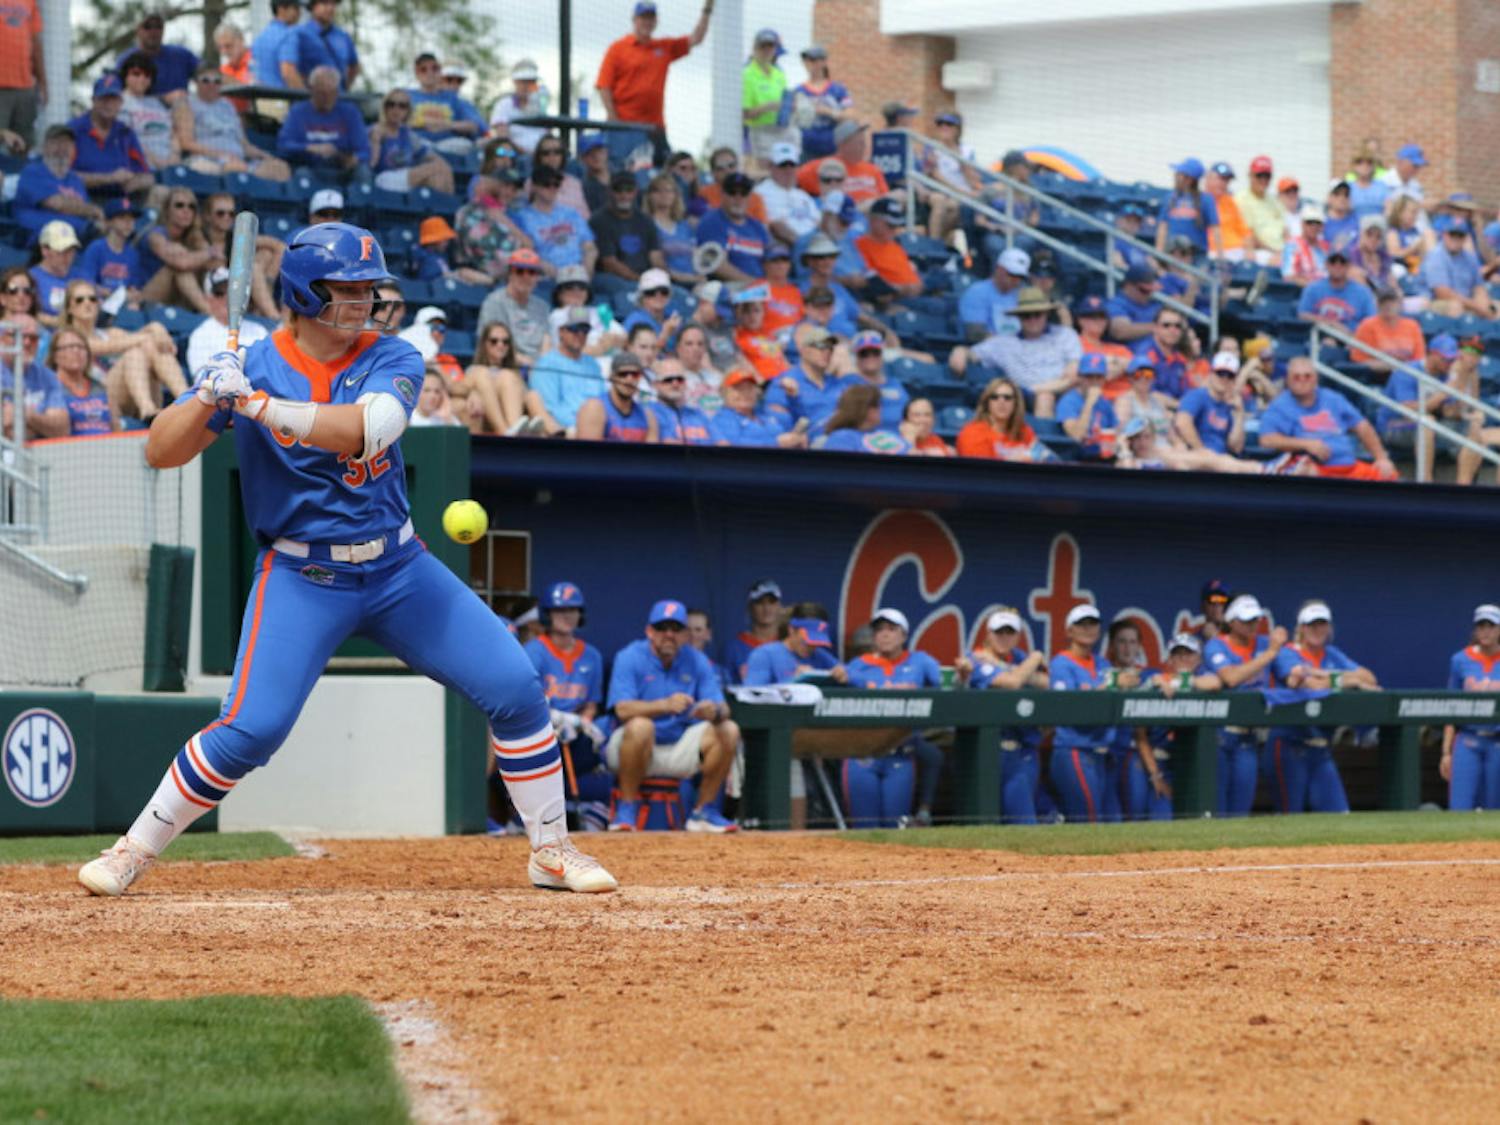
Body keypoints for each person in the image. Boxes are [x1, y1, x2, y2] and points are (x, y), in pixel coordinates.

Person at [78, 222, 616, 897]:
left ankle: (552, 851)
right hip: (304, 574)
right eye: (348, 288)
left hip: (398, 568)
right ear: (306, 290)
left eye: (369, 287)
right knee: (252, 729)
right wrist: (211, 395)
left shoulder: (391, 354)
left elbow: (370, 429)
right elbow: (159, 450)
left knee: (514, 685)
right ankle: (133, 848)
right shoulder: (253, 364)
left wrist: (260, 405)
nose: (364, 300)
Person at [605, 598, 739, 833]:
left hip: (678, 746)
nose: (669, 634)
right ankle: (626, 808)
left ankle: (703, 812)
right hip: (632, 749)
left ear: (686, 635)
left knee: (728, 728)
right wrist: (664, 705)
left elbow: (724, 708)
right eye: (662, 628)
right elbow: (621, 710)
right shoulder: (630, 656)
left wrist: (714, 711)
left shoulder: (696, 660)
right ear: (649, 631)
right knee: (641, 726)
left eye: (676, 629)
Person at [1266, 601, 1379, 815]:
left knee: (1339, 815)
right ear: (1300, 628)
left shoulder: (1332, 654)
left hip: (1320, 748)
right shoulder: (1287, 652)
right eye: (1311, 625)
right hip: (1290, 744)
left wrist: (1326, 674)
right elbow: (1310, 685)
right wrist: (1350, 680)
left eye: (1322, 624)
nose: (1317, 630)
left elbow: (1370, 677)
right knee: (1291, 817)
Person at [842, 609, 946, 829]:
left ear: (904, 635)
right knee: (864, 827)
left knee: (894, 827)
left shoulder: (920, 661)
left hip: (902, 751)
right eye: (879, 630)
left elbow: (943, 685)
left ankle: (924, 812)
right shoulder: (859, 665)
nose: (885, 635)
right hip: (863, 752)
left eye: (891, 629)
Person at [523, 582, 610, 831]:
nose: (567, 616)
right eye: (560, 610)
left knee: (598, 746)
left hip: (577, 732)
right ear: (548, 614)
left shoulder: (591, 655)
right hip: (541, 728)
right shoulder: (534, 651)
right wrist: (556, 720)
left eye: (573, 610)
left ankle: (590, 816)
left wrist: (582, 723)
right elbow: (529, 702)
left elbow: (591, 704)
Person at [1048, 604, 1137, 822]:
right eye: (1081, 624)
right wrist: (1111, 685)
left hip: (1102, 752)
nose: (1088, 629)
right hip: (1074, 749)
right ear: (1069, 630)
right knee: (1087, 819)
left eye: (1092, 624)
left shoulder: (1102, 663)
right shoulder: (1061, 663)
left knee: (1111, 821)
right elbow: (1068, 707)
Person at [596, 0, 712, 163]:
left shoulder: (663, 47)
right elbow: (604, 85)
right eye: (643, 18)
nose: (647, 22)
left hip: (654, 127)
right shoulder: (618, 48)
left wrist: (707, 9)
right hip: (625, 127)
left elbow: (696, 38)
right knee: (624, 174)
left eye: (651, 18)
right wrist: (614, 119)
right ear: (634, 19)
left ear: (656, 21)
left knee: (663, 171)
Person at [1201, 595, 1286, 816]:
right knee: (1217, 810)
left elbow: (1291, 674)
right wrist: (1269, 654)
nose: (1252, 625)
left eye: (1255, 620)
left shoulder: (1265, 644)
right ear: (1231, 621)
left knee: (1240, 812)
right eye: (1246, 620)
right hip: (1220, 735)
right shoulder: (1216, 645)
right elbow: (1230, 678)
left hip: (1249, 737)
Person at [968, 608, 1049, 823]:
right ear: (988, 634)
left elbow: (1047, 682)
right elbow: (1012, 683)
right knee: (986, 822)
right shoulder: (974, 659)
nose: (1004, 637)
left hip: (1023, 750)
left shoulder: (1021, 658)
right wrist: (1036, 658)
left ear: (1018, 636)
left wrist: (1010, 667)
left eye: (1009, 632)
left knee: (1023, 820)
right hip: (988, 751)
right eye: (999, 632)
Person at [1259, 356, 1397, 480]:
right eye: (1296, 377)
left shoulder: (1333, 398)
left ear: (1316, 379)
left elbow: (1362, 426)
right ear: (1288, 380)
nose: (1302, 380)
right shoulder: (1280, 405)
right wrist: (1306, 444)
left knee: (1388, 475)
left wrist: (1381, 458)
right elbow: (1267, 440)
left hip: (1349, 467)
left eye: (1307, 376)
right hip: (1313, 469)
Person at [967, 288, 1081, 414]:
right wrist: (960, 351)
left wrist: (1034, 389)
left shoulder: (1065, 335)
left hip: (1063, 393)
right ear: (1019, 317)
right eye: (1026, 316)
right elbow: (971, 354)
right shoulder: (1004, 343)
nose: (1032, 320)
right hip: (1020, 398)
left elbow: (1073, 376)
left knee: (1046, 397)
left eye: (1037, 314)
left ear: (1046, 314)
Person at [175, 66, 290, 181]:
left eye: (217, 81)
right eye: (206, 80)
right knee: (235, 168)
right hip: (206, 160)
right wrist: (223, 155)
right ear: (196, 83)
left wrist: (266, 156)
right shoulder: (187, 104)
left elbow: (244, 145)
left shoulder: (228, 106)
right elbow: (187, 143)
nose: (212, 85)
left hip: (239, 161)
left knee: (280, 169)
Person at [1441, 604, 1500, 812]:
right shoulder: (1460, 660)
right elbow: (1451, 706)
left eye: (1491, 626)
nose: (1485, 631)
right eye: (1481, 625)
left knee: (1495, 809)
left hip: (1497, 740)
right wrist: (1446, 752)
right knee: (1460, 807)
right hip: (1468, 738)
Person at [69, 73, 155, 202]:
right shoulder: (73, 130)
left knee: (160, 193)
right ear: (93, 100)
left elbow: (147, 175)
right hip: (82, 197)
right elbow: (62, 176)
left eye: (113, 99)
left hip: (120, 201)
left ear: (121, 102)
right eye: (104, 98)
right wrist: (109, 178)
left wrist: (135, 182)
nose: (108, 104)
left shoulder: (125, 132)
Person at [136, 187, 221, 313]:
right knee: (177, 269)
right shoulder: (155, 235)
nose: (186, 210)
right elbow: (181, 264)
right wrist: (208, 253)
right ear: (167, 210)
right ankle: (212, 314)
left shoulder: (194, 236)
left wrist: (202, 255)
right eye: (179, 205)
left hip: (176, 298)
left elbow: (216, 263)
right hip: (143, 297)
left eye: (191, 206)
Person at [14, 125, 104, 242]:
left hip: (77, 238)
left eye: (67, 143)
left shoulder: (74, 179)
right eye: (56, 142)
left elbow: (86, 212)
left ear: (73, 149)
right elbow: (56, 204)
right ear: (45, 147)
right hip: (40, 239)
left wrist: (92, 213)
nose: (62, 148)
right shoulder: (33, 171)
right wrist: (92, 210)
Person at [277, 65, 369, 178]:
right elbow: (284, 145)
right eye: (322, 93)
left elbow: (364, 150)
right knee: (302, 175)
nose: (327, 98)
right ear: (312, 90)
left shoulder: (350, 113)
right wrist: (310, 148)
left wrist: (355, 158)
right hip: (309, 168)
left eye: (331, 93)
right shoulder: (298, 112)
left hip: (342, 171)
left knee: (363, 172)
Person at [527, 305, 605, 435]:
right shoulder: (547, 364)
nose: (580, 334)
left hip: (597, 429)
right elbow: (549, 411)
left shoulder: (593, 364)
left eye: (585, 330)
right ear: (561, 331)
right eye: (574, 329)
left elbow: (604, 402)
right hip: (566, 432)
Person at [185, 267, 271, 376]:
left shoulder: (259, 330)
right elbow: (201, 380)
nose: (227, 297)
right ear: (208, 299)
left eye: (232, 291)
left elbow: (271, 370)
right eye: (219, 293)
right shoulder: (200, 336)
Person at [514, 165, 596, 278]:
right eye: (546, 184)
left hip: (580, 272)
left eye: (556, 185)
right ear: (534, 186)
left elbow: (589, 247)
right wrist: (559, 275)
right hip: (547, 277)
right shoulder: (522, 218)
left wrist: (586, 273)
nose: (552, 188)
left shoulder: (571, 213)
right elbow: (527, 253)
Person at [368, 89, 455, 194]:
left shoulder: (408, 135)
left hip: (405, 178)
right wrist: (375, 141)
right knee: (438, 167)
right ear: (385, 108)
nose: (396, 109)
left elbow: (433, 157)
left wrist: (444, 168)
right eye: (391, 104)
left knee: (437, 178)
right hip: (384, 178)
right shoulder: (375, 130)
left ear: (407, 111)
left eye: (402, 106)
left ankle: (448, 208)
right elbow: (371, 165)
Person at [767, 325, 853, 428]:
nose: (826, 352)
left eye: (830, 347)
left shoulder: (838, 384)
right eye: (820, 346)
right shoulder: (784, 382)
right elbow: (778, 426)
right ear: (804, 350)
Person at [590, 172, 665, 292]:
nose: (624, 195)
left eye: (629, 190)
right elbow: (609, 263)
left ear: (635, 192)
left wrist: (662, 278)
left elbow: (655, 257)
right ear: (609, 192)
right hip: (613, 279)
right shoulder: (599, 220)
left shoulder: (645, 220)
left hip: (644, 279)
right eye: (618, 190)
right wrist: (641, 280)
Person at [476, 248, 550, 366]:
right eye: (520, 271)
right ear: (510, 274)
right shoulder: (494, 302)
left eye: (531, 272)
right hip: (504, 365)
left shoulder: (543, 307)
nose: (526, 277)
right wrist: (527, 363)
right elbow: (492, 346)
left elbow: (547, 343)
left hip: (539, 368)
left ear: (537, 277)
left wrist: (542, 367)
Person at [956, 376, 1056, 463]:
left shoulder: (1024, 431)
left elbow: (1051, 459)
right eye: (994, 397)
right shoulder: (972, 433)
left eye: (1007, 397)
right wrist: (1023, 458)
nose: (1001, 401)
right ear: (987, 403)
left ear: (1015, 403)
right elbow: (983, 472)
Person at [0, 314, 68, 439]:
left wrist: (24, 413)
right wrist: (42, 426)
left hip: (42, 453)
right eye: (18, 336)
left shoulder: (47, 376)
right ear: (2, 339)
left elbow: (61, 428)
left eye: (33, 338)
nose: (26, 342)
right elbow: (5, 430)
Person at [407, 52, 483, 154]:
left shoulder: (454, 99)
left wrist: (446, 125)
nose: (430, 73)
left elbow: (473, 126)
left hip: (448, 146)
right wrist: (422, 122)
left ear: (439, 71)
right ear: (417, 73)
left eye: (434, 68)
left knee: (465, 145)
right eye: (423, 69)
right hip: (417, 144)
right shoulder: (406, 95)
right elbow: (392, 121)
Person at [708, 367, 804, 449]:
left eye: (750, 388)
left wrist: (793, 399)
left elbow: (794, 424)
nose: (745, 393)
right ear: (724, 392)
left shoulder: (766, 414)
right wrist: (775, 443)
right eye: (738, 388)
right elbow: (734, 444)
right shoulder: (723, 419)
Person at [1173, 352, 1247, 455]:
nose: (1224, 379)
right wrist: (1202, 452)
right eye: (1220, 373)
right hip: (1199, 460)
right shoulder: (1198, 395)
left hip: (1222, 460)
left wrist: (1239, 414)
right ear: (1211, 373)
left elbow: (1236, 448)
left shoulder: (1231, 406)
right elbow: (1182, 423)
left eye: (1230, 375)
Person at [795, 121, 888, 202]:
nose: (863, 147)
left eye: (863, 143)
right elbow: (792, 176)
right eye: (859, 143)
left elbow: (885, 197)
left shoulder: (873, 169)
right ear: (842, 144)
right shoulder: (823, 166)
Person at [115, 11, 198, 102]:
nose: (153, 31)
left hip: (179, 110)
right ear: (138, 31)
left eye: (158, 27)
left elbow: (207, 73)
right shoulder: (126, 59)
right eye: (148, 27)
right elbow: (115, 93)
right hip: (137, 111)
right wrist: (164, 98)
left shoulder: (181, 55)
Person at [1422, 221, 1498, 319]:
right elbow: (1443, 293)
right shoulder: (1436, 256)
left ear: (1465, 238)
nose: (1456, 239)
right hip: (1435, 302)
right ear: (1444, 235)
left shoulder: (1470, 258)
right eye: (1452, 235)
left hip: (1467, 302)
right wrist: (1477, 307)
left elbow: (1478, 287)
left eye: (1460, 236)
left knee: (1496, 307)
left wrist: (1485, 305)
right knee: (1455, 307)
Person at [46, 328, 116, 435]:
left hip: (107, 446)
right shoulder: (49, 388)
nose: (76, 351)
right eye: (69, 347)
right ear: (55, 356)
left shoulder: (101, 388)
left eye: (81, 347)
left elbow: (116, 427)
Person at [575, 353, 657, 443]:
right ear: (612, 377)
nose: (629, 379)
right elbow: (587, 454)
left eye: (635, 374)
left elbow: (651, 455)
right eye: (623, 374)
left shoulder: (648, 417)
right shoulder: (595, 408)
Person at [118, 53, 179, 171]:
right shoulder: (120, 103)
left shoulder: (157, 103)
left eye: (147, 75)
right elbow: (129, 141)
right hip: (141, 164)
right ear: (125, 76)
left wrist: (175, 156)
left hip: (171, 163)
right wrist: (158, 161)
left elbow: (173, 134)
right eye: (136, 74)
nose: (142, 79)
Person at [742, 28, 794, 165]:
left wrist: (791, 106)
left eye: (770, 46)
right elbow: (744, 113)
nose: (766, 50)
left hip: (780, 131)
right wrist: (768, 107)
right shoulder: (746, 74)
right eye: (762, 46)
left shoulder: (779, 74)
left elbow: (785, 102)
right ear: (755, 48)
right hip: (757, 132)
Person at [854, 198, 921, 302]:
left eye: (897, 226)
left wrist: (911, 287)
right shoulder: (860, 246)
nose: (894, 230)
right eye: (890, 225)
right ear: (873, 220)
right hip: (895, 302)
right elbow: (879, 290)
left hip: (915, 297)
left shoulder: (895, 246)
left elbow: (916, 283)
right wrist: (903, 289)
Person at [816, 383, 911, 455]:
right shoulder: (842, 438)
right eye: (877, 405)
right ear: (865, 409)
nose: (880, 408)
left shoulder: (888, 434)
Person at [75, 198, 142, 300]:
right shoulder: (96, 248)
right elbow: (86, 284)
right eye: (122, 217)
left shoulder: (133, 254)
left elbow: (133, 288)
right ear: (108, 222)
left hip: (122, 306)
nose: (129, 222)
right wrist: (114, 295)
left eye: (132, 218)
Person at [283, 0, 359, 90]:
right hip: (311, 99)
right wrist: (305, 98)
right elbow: (288, 69)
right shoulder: (298, 34)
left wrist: (342, 91)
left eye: (333, 4)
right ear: (312, 6)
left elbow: (354, 66)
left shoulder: (343, 36)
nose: (330, 8)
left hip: (338, 98)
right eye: (324, 3)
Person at [756, 142, 821, 248]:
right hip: (784, 247)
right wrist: (803, 246)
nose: (788, 170)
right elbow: (775, 227)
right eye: (783, 165)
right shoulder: (760, 193)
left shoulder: (803, 196)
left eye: (792, 165)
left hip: (813, 247)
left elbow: (818, 222)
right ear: (771, 167)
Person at [792, 45, 850, 159]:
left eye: (813, 60)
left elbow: (851, 115)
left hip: (832, 149)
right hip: (806, 149)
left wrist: (827, 111)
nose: (809, 64)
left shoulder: (837, 89)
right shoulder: (798, 91)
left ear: (823, 62)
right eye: (806, 60)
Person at [959, 248, 1029, 342]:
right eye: (1012, 274)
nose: (1016, 280)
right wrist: (1008, 344)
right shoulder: (977, 293)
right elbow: (975, 333)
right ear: (999, 269)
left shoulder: (1022, 293)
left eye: (1020, 276)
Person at [1056, 352, 1117, 457]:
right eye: (1089, 377)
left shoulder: (1105, 402)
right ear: (1080, 377)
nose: (1094, 382)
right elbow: (1076, 436)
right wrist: (1089, 402)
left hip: (1102, 457)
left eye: (1099, 377)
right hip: (1076, 458)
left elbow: (1115, 432)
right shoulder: (1069, 401)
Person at [0, 0, 44, 146]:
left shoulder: (30, 2)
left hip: (25, 87)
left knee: (23, 144)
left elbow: (36, 43)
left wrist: (43, 83)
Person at [1156, 158, 1219, 258]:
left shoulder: (1206, 199)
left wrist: (1220, 257)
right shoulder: (1170, 197)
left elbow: (1215, 229)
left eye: (1179, 174)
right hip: (1171, 254)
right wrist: (1158, 253)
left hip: (1197, 255)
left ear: (1189, 179)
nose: (1176, 176)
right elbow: (1163, 227)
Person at [726, 577, 783, 683]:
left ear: (779, 607)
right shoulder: (735, 648)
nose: (767, 608)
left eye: (772, 602)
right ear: (750, 607)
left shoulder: (788, 644)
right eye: (760, 602)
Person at [649, 358, 713, 444]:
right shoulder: (648, 413)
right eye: (668, 379)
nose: (675, 383)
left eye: (680, 379)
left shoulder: (698, 414)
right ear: (655, 385)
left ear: (686, 383)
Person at [29, 220, 81, 325]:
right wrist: (60, 322)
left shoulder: (82, 276)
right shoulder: (30, 278)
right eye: (61, 250)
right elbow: (25, 313)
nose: (67, 256)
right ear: (45, 250)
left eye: (71, 250)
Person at [1234, 154, 1284, 259]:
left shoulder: (1273, 200)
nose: (1263, 180)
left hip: (1280, 251)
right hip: (1261, 252)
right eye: (1259, 175)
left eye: (1267, 176)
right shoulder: (1241, 199)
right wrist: (1275, 252)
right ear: (1250, 175)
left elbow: (1286, 231)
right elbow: (1250, 237)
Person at [252, 0, 303, 89]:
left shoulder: (260, 38)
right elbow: (288, 72)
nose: (299, 13)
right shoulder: (288, 34)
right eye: (296, 8)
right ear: (281, 9)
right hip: (282, 97)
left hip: (261, 97)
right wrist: (306, 98)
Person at [1105, 266, 1162, 345]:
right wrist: (1159, 327)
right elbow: (1120, 332)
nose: (1149, 294)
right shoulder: (1117, 303)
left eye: (1151, 290)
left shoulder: (1155, 302)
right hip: (1131, 353)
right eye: (1144, 290)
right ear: (1128, 286)